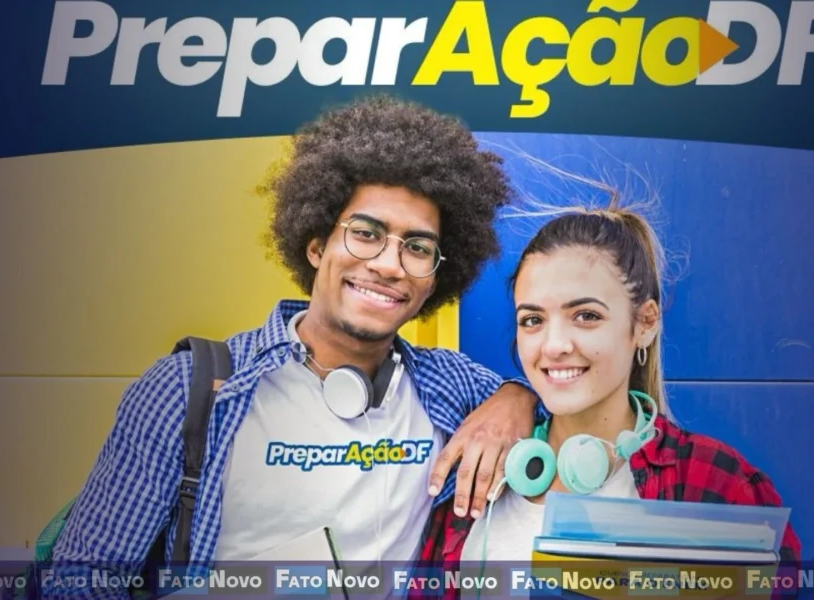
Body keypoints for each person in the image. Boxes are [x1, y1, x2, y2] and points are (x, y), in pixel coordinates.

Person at [46, 96, 544, 598]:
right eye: (365, 233)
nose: (389, 265)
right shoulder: (187, 390)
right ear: (316, 246)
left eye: (417, 248)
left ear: (434, 278)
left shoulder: (452, 387)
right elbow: (79, 581)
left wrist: (517, 399)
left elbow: (564, 406)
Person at [417, 193, 801, 585]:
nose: (554, 345)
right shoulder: (479, 479)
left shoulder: (719, 483)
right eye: (532, 320)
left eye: (586, 316)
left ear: (645, 323)